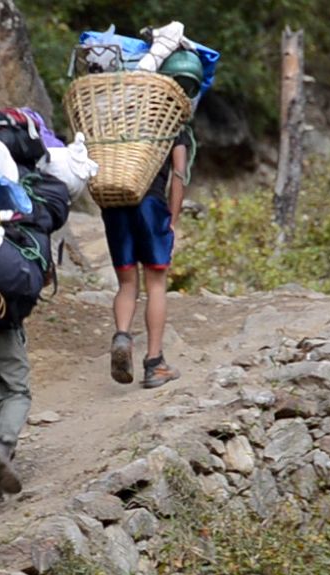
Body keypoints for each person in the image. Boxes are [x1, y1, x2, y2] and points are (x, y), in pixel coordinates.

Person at [103, 49, 203, 389]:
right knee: (156, 283)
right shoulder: (173, 123)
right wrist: (172, 221)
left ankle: (121, 336)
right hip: (151, 205)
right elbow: (178, 174)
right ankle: (154, 362)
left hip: (116, 202)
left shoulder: (123, 116)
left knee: (127, 283)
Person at [0, 168, 72, 506]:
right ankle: (1, 445)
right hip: (3, 318)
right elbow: (41, 277)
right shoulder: (26, 210)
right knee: (16, 391)